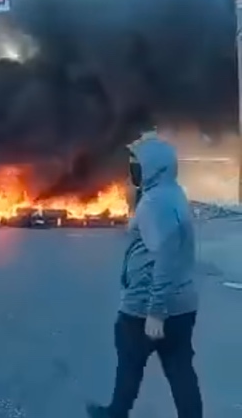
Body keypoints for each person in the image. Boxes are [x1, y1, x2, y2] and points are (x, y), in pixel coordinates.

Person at [87, 134, 202, 418]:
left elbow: (165, 258)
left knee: (129, 362)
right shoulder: (172, 192)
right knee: (180, 370)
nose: (132, 170)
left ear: (155, 168)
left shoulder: (154, 204)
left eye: (137, 164)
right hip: (182, 302)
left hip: (146, 305)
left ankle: (116, 413)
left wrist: (156, 311)